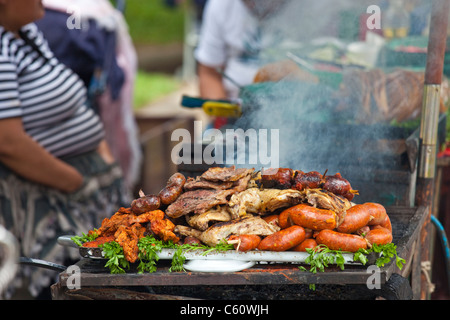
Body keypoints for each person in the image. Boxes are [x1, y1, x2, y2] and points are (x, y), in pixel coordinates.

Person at [0, 0, 129, 298]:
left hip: (81, 192)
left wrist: (104, 164)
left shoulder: (27, 33)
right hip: (46, 199)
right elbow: (7, 143)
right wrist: (76, 182)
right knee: (58, 289)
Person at [36, 0, 142, 190]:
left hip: (86, 159)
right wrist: (75, 181)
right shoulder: (64, 24)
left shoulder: (38, 29)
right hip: (60, 174)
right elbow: (10, 142)